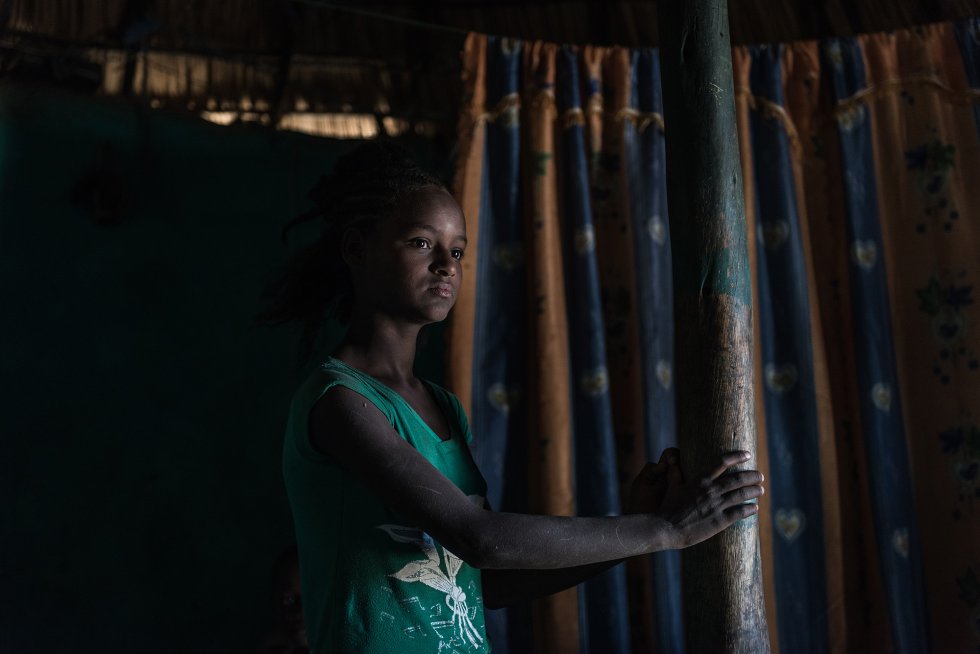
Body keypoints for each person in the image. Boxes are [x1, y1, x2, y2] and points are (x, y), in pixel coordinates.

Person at [261, 141, 764, 653]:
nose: (446, 266)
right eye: (421, 243)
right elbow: (479, 537)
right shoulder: (340, 402)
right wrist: (662, 529)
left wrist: (633, 534)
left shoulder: (442, 408)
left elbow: (487, 580)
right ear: (357, 248)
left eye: (456, 251)